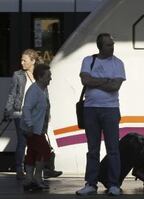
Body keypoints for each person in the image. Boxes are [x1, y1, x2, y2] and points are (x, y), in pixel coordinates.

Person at [76, 33, 126, 196]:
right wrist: (106, 81)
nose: (112, 48)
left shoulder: (118, 63)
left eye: (112, 44)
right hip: (90, 109)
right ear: (100, 46)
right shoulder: (88, 60)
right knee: (93, 149)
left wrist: (95, 81)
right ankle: (91, 183)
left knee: (113, 148)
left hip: (111, 109)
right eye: (108, 45)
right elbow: (85, 81)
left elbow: (115, 86)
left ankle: (114, 184)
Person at [4, 49, 62, 180]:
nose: (22, 62)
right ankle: (20, 169)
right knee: (23, 142)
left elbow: (45, 95)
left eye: (25, 60)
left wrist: (48, 112)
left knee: (37, 143)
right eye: (21, 60)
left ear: (33, 61)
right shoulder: (18, 75)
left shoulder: (40, 74)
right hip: (20, 113)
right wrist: (8, 111)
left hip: (38, 115)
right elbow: (13, 94)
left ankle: (40, 171)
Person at [20, 63, 53, 191]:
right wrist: (29, 125)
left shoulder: (43, 89)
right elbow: (26, 108)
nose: (50, 78)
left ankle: (29, 181)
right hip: (32, 129)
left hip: (38, 129)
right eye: (48, 76)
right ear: (40, 77)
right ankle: (37, 178)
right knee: (45, 151)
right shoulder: (34, 90)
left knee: (33, 152)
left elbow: (44, 108)